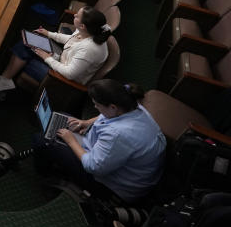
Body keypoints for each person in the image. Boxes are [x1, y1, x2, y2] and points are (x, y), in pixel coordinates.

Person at [33, 80, 166, 204]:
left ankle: (48, 175)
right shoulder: (132, 106)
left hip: (113, 188)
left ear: (112, 107)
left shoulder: (118, 135)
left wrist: (71, 141)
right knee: (62, 117)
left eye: (97, 104)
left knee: (41, 141)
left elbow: (93, 166)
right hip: (118, 161)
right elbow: (106, 115)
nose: (95, 107)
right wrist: (86, 123)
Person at [0, 6, 112, 92]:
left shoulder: (89, 49)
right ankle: (5, 80)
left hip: (62, 81)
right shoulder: (88, 31)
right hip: (61, 59)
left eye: (77, 16)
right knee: (29, 40)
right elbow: (71, 38)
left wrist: (47, 58)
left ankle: (4, 81)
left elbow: (69, 74)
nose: (74, 15)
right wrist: (48, 34)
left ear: (83, 25)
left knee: (26, 54)